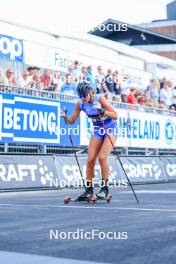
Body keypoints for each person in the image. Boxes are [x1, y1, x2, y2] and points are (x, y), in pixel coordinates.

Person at [61, 81, 118, 200]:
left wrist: (103, 112)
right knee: (90, 160)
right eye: (80, 96)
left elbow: (115, 115)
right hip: (97, 130)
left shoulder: (100, 99)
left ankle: (104, 189)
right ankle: (89, 190)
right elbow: (72, 120)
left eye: (85, 95)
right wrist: (65, 116)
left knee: (102, 157)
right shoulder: (81, 104)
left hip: (110, 129)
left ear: (91, 93)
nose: (83, 98)